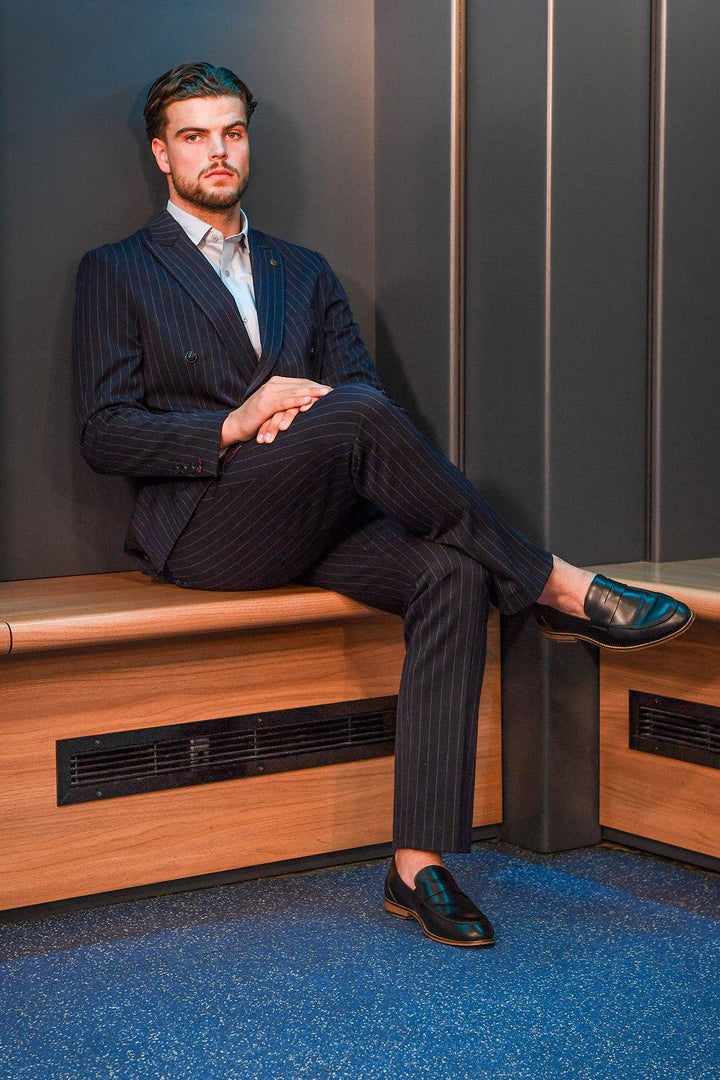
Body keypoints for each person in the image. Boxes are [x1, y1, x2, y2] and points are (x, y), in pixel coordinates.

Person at [72, 63, 693, 948]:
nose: (218, 151)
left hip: (316, 512)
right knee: (360, 415)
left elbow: (361, 393)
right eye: (195, 135)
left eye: (233, 132)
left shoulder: (303, 270)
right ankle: (554, 584)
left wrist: (312, 431)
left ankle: (416, 864)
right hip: (208, 528)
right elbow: (104, 433)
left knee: (448, 571)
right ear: (162, 153)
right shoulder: (118, 271)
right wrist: (235, 423)